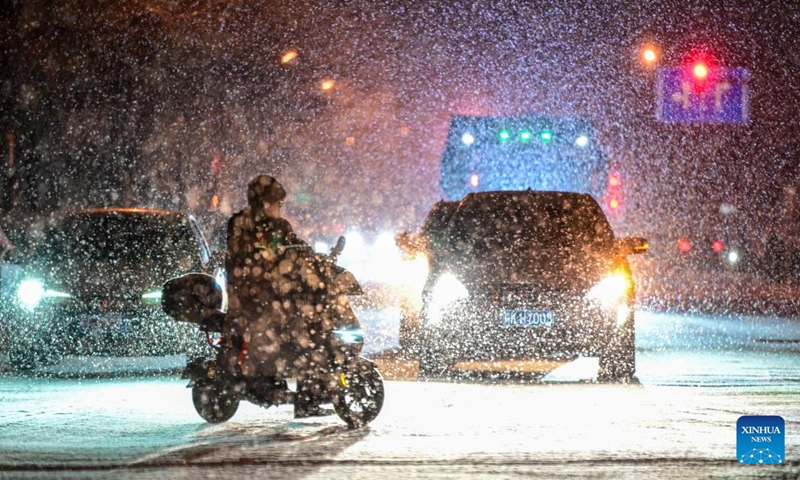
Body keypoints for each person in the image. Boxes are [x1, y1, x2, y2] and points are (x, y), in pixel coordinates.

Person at [223, 174, 333, 418]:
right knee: (301, 330)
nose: (279, 208)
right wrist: (269, 267)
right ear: (263, 202)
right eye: (276, 203)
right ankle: (303, 399)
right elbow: (244, 260)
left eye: (280, 204)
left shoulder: (280, 226)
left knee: (309, 319)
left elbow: (298, 248)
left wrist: (318, 261)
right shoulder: (241, 224)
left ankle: (305, 394)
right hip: (252, 297)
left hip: (276, 293)